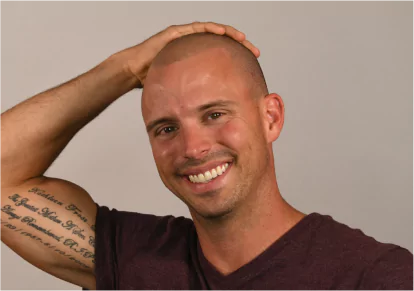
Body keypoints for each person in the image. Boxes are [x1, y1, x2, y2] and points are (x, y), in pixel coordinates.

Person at [0, 21, 412, 291]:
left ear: (271, 117)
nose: (192, 148)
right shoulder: (137, 259)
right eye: (166, 128)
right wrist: (124, 70)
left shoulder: (376, 276)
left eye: (215, 114)